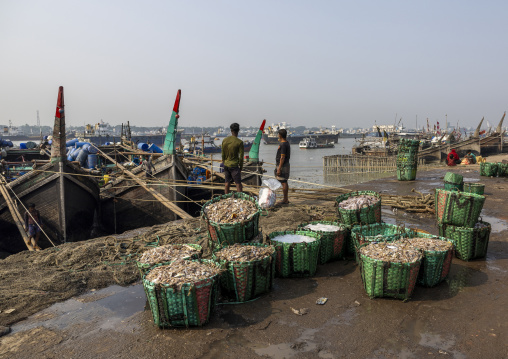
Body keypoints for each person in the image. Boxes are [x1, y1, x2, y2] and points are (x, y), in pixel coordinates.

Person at [221, 123, 244, 194]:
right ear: (238, 130)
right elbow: (241, 157)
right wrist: (241, 167)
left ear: (231, 130)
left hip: (226, 165)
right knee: (238, 184)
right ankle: (240, 199)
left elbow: (223, 154)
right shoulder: (239, 142)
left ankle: (226, 198)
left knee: (227, 183)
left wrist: (224, 162)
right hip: (234, 166)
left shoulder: (224, 140)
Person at [275, 129, 290, 204]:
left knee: (283, 181)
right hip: (284, 165)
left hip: (283, 165)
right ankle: (285, 199)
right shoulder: (286, 143)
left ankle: (285, 199)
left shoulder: (283, 144)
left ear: (280, 135)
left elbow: (282, 157)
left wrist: (279, 168)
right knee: (283, 181)